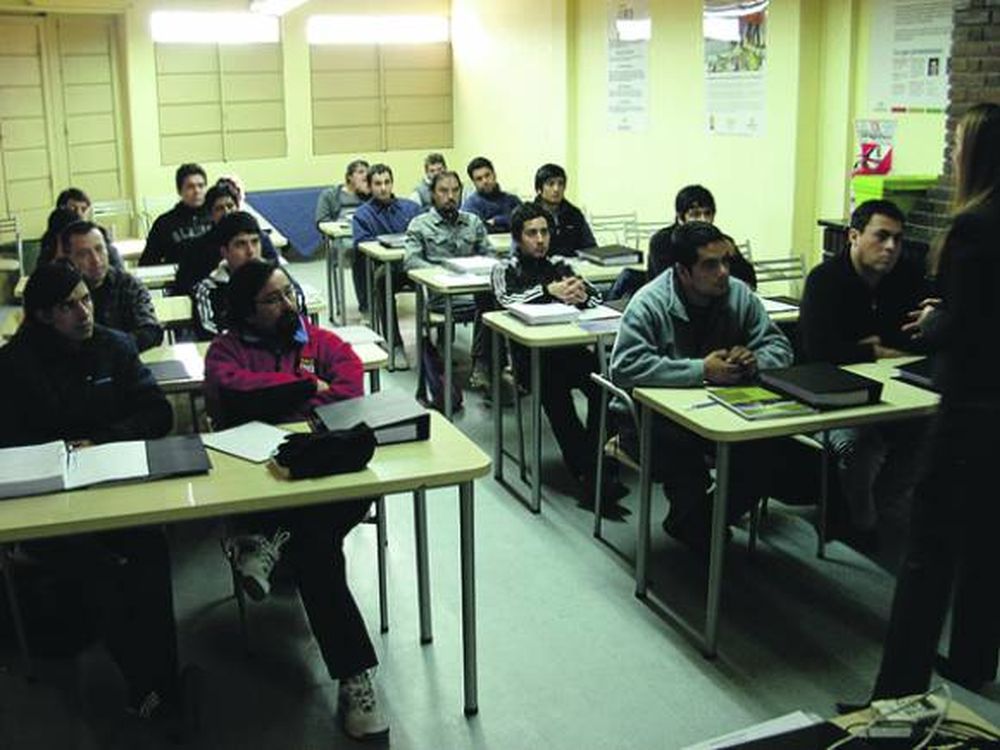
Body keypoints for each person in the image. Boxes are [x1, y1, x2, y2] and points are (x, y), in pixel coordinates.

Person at [0, 262, 196, 737]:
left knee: (151, 552)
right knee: (97, 568)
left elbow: (157, 413)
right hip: (46, 503)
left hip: (114, 487)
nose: (84, 312)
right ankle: (146, 688)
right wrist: (55, 452)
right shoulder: (12, 365)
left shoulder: (115, 346)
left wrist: (105, 439)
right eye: (69, 306)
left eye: (86, 299)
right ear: (43, 315)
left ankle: (163, 683)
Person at [204, 259, 389, 741]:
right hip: (264, 476)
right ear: (247, 310)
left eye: (289, 292)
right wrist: (306, 387)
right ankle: (355, 677)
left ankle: (267, 542)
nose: (288, 304)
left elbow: (349, 389)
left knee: (312, 533)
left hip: (330, 474)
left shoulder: (321, 341)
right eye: (273, 299)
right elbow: (231, 393)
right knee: (317, 551)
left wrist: (276, 405)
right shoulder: (227, 349)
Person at [866, 102, 1000, 699]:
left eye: (958, 145)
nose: (952, 153)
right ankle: (973, 658)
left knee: (927, 553)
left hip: (971, 408)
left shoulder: (974, 226)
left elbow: (969, 328)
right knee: (987, 542)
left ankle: (895, 696)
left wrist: (937, 319)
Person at [610, 222, 793, 552]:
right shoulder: (649, 302)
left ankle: (697, 522)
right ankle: (698, 524)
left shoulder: (739, 294)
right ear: (682, 271)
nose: (723, 272)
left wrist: (755, 360)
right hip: (648, 419)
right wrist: (701, 370)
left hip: (722, 410)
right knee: (684, 457)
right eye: (710, 265)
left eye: (725, 261)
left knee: (768, 451)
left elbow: (779, 347)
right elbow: (624, 367)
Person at [799, 199, 930, 545]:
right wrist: (875, 350)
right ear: (854, 236)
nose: (891, 247)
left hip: (897, 392)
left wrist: (865, 347)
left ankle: (860, 510)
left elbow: (920, 341)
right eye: (881, 236)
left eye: (898, 239)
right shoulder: (825, 280)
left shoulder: (908, 277)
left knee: (929, 436)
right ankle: (860, 520)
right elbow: (819, 351)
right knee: (858, 445)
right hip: (835, 395)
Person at [492, 203, 627, 506]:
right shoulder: (504, 268)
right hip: (531, 358)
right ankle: (591, 474)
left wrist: (581, 294)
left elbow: (595, 296)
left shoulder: (560, 264)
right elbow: (506, 300)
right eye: (532, 233)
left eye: (544, 232)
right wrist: (548, 291)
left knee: (604, 386)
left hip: (570, 350)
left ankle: (596, 468)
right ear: (518, 237)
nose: (540, 239)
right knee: (556, 398)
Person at [403, 170, 495, 390]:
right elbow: (411, 261)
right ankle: (483, 365)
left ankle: (493, 365)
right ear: (433, 194)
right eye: (443, 191)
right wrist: (441, 273)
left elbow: (490, 255)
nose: (450, 196)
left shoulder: (472, 222)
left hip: (474, 290)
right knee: (487, 304)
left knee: (497, 303)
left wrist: (479, 268)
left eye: (455, 190)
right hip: (441, 296)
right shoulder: (420, 224)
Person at [192, 211, 303, 340]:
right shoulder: (209, 288)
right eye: (241, 244)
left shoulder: (279, 278)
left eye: (255, 242)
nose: (251, 251)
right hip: (235, 351)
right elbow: (209, 331)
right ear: (224, 252)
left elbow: (300, 315)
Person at [352, 164, 422, 365]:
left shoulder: (411, 208)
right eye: (377, 184)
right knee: (383, 281)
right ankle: (395, 344)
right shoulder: (362, 214)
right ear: (369, 186)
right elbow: (362, 244)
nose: (383, 188)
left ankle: (439, 341)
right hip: (386, 268)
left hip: (414, 264)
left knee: (434, 277)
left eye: (387, 182)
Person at [59, 220, 162, 352]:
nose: (96, 260)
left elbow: (151, 331)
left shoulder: (128, 284)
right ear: (68, 259)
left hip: (124, 359)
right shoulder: (60, 291)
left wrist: (113, 350)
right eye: (84, 254)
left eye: (99, 249)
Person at [175, 181, 278, 296]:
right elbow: (184, 285)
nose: (227, 212)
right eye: (220, 208)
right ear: (210, 214)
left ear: (237, 207)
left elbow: (275, 269)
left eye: (230, 206)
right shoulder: (197, 248)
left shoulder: (260, 238)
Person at [315, 159, 371, 312]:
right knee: (361, 254)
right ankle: (366, 305)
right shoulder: (331, 195)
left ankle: (377, 302)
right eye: (360, 172)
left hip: (364, 238)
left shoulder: (368, 195)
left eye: (367, 173)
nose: (365, 176)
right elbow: (321, 221)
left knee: (370, 253)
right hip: (341, 240)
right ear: (349, 177)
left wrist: (369, 195)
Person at [140, 163, 212, 266]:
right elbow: (147, 262)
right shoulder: (164, 223)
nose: (197, 191)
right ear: (179, 191)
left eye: (201, 186)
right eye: (190, 187)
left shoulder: (216, 217)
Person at [532, 163, 596, 257]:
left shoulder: (574, 214)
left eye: (560, 184)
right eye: (550, 184)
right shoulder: (529, 215)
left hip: (572, 264)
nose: (556, 189)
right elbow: (518, 251)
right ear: (539, 189)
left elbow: (591, 247)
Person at [461, 156, 522, 233]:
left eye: (487, 175)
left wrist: (497, 221)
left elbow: (526, 221)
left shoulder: (512, 200)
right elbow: (476, 230)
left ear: (494, 175)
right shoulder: (470, 205)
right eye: (479, 179)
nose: (485, 181)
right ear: (474, 182)